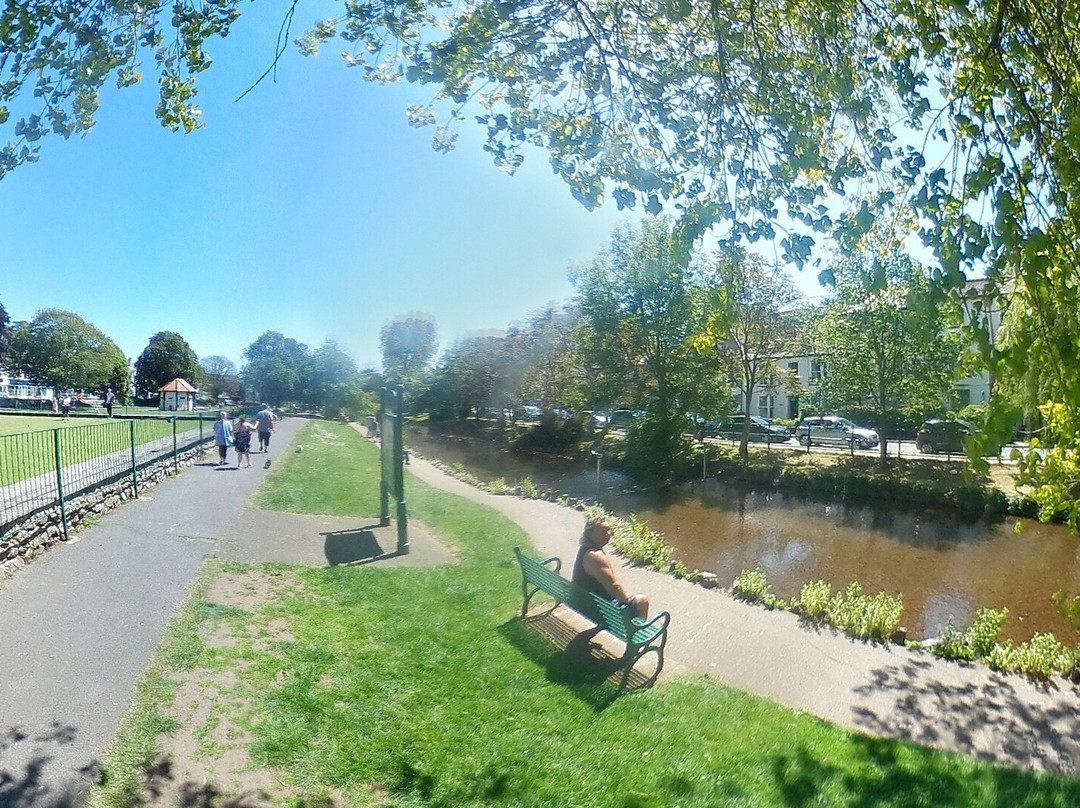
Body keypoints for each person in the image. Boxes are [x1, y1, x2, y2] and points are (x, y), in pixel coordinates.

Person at [572, 515, 650, 619]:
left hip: (584, 602)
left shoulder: (585, 549)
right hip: (597, 610)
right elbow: (613, 586)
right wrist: (625, 597)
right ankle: (638, 633)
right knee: (643, 601)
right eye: (602, 531)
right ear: (590, 533)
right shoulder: (595, 556)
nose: (607, 534)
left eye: (609, 530)